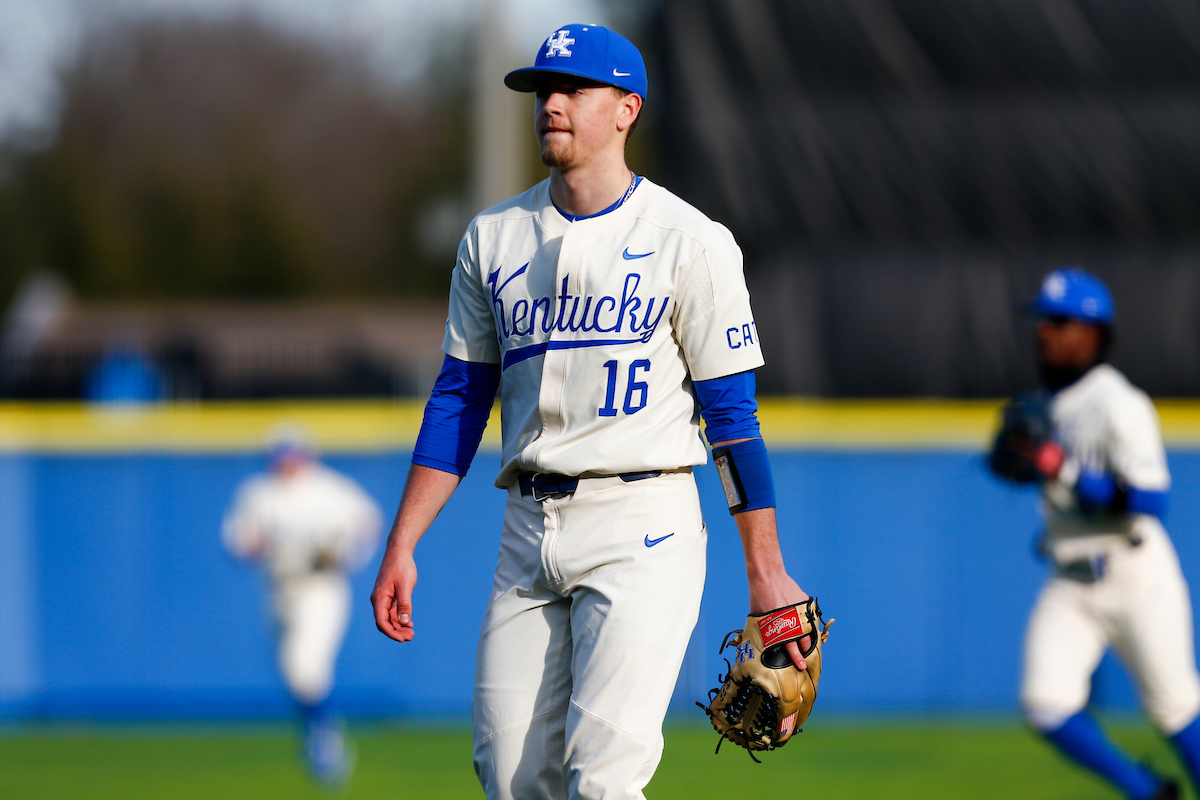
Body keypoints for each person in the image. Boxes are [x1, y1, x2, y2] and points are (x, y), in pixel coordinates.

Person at [370, 23, 809, 800]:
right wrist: (404, 540)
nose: (552, 103)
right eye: (544, 89)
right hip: (527, 530)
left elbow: (732, 418)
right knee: (507, 779)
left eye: (574, 88)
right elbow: (460, 399)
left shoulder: (690, 241)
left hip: (644, 521)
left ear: (626, 110)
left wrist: (766, 572)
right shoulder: (493, 237)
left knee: (602, 784)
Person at [989, 268, 1200, 800]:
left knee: (1175, 710)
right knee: (1045, 703)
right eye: (1041, 319)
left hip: (1134, 571)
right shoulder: (1047, 403)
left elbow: (1153, 499)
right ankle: (1149, 792)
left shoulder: (1119, 403)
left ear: (1094, 333)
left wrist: (1064, 470)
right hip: (1070, 577)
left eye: (1059, 320)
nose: (1044, 330)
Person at [223, 423, 382, 786]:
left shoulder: (329, 488)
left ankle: (325, 742)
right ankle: (318, 732)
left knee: (304, 669)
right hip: (278, 588)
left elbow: (367, 524)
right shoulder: (259, 492)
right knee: (292, 677)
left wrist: (343, 553)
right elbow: (236, 543)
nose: (288, 462)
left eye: (293, 454)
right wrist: (253, 546)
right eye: (282, 455)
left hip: (320, 587)